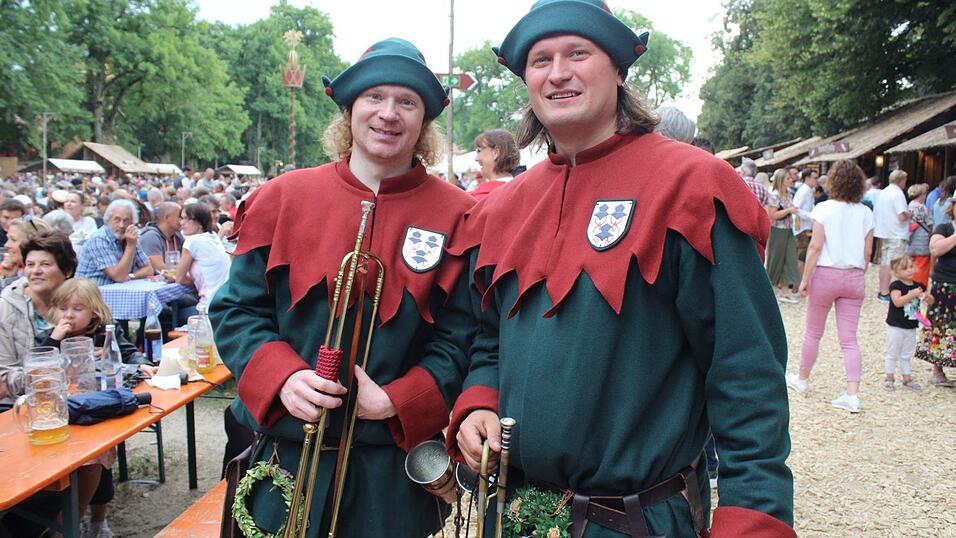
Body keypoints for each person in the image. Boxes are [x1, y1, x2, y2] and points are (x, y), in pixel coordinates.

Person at [446, 2, 794, 536]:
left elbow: (745, 371)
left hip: (639, 521)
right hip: (513, 515)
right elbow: (490, 342)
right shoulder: (505, 207)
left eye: (577, 53)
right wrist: (478, 404)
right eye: (541, 60)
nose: (558, 73)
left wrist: (752, 517)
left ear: (618, 69)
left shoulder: (691, 186)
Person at [209, 38, 476, 537]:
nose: (388, 114)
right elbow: (236, 311)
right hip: (283, 463)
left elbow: (464, 337)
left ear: (423, 121)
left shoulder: (460, 215)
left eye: (407, 101)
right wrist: (283, 377)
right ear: (350, 109)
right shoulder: (283, 197)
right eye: (375, 96)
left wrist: (402, 399)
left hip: (390, 477)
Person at [42, 277, 156, 538]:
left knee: (101, 453)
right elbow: (41, 364)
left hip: (98, 406)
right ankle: (68, 522)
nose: (68, 315)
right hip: (64, 410)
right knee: (86, 459)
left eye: (77, 308)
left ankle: (97, 520)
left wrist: (141, 363)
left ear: (93, 311)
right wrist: (55, 338)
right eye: (63, 308)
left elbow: (128, 352)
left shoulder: (105, 332)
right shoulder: (50, 335)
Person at [792, 160, 873, 413]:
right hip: (854, 275)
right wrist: (859, 273)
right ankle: (852, 393)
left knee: (813, 332)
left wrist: (805, 278)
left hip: (826, 274)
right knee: (849, 339)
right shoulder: (866, 212)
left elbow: (815, 247)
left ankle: (802, 379)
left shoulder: (824, 208)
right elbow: (868, 253)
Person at [0, 231, 78, 410]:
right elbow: (5, 379)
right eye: (30, 264)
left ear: (67, 271)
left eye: (45, 264)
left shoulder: (80, 302)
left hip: (75, 398)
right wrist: (45, 376)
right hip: (21, 405)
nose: (35, 271)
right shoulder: (6, 308)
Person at [915, 197, 956, 387]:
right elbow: (936, 249)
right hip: (946, 284)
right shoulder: (944, 228)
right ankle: (937, 370)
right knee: (941, 326)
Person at [162, 203, 229, 314]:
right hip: (225, 302)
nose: (181, 222)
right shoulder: (213, 237)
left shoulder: (192, 241)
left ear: (200, 223)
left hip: (209, 307)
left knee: (169, 316)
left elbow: (179, 278)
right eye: (181, 218)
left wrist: (173, 276)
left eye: (187, 219)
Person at [75, 199, 153, 286]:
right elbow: (118, 276)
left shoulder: (130, 237)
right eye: (117, 219)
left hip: (116, 289)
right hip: (91, 290)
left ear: (132, 223)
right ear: (108, 220)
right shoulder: (99, 239)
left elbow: (149, 270)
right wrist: (130, 246)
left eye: (126, 220)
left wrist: (130, 276)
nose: (121, 225)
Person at [883, 256, 928, 392]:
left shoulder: (919, 286)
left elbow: (930, 299)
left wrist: (927, 297)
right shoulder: (896, 286)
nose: (909, 270)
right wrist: (912, 294)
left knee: (907, 354)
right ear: (896, 272)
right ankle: (889, 378)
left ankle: (906, 378)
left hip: (911, 326)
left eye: (911, 267)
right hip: (895, 325)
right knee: (892, 352)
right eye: (905, 268)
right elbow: (897, 302)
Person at [873, 169, 910, 302]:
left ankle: (882, 290)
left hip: (884, 231)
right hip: (896, 232)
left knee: (884, 262)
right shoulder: (898, 193)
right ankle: (888, 291)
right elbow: (901, 216)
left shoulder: (883, 192)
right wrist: (909, 214)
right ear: (901, 180)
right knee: (893, 264)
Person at [766, 168, 801, 303]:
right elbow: (772, 215)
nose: (791, 180)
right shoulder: (775, 195)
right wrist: (789, 210)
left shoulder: (789, 193)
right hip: (777, 230)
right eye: (788, 178)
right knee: (775, 259)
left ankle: (785, 290)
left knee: (790, 258)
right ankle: (772, 290)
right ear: (781, 180)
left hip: (788, 229)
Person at [1, 218, 51, 290]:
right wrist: (8, 277)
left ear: (33, 244)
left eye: (13, 240)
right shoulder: (10, 271)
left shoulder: (41, 276)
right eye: (8, 239)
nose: (6, 245)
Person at [472, 129, 521, 201]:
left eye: (479, 151)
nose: (476, 158)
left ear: (495, 153)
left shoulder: (481, 199)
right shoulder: (523, 190)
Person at [792, 168, 818, 277]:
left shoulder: (808, 190)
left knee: (804, 255)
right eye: (814, 178)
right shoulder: (804, 191)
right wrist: (811, 215)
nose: (816, 181)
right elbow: (795, 209)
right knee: (802, 256)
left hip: (805, 226)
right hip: (801, 227)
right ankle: (798, 281)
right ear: (807, 178)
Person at [906, 183, 932, 285]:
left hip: (911, 239)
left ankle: (909, 284)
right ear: (921, 195)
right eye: (924, 194)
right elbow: (929, 223)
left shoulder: (909, 205)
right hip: (922, 240)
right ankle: (920, 286)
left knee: (911, 264)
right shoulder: (922, 208)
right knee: (922, 265)